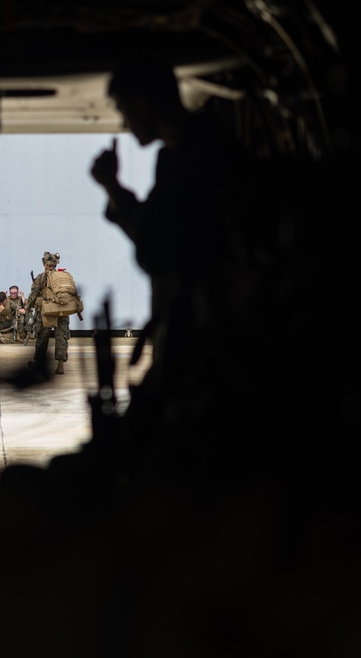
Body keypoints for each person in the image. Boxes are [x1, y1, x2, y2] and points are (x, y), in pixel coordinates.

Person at [88, 53, 246, 421]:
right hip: (190, 328)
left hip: (210, 334)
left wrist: (112, 186)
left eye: (123, 109)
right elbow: (155, 236)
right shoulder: (177, 158)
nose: (124, 122)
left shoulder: (206, 158)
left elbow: (157, 246)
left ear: (143, 104)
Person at [25, 252, 76, 374]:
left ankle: (39, 363)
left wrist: (27, 307)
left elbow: (33, 295)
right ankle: (60, 366)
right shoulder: (64, 277)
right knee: (61, 337)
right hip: (63, 310)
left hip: (47, 311)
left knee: (42, 337)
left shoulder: (41, 277)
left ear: (44, 264)